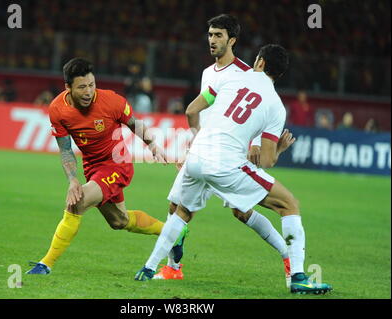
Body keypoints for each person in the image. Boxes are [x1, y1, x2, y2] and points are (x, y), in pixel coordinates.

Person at [136, 44, 333, 295]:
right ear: (280, 74)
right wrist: (280, 149)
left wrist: (200, 137)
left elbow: (191, 109)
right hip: (226, 163)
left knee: (182, 211)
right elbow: (268, 161)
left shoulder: (231, 78)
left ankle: (149, 268)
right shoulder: (276, 106)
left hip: (196, 156)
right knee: (289, 204)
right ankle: (298, 276)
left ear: (259, 62)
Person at [152, 14, 291, 287]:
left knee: (242, 213)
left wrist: (253, 145)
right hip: (204, 153)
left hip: (230, 156)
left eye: (218, 35)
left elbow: (258, 111)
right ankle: (173, 267)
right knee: (176, 207)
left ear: (232, 40)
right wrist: (195, 143)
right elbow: (200, 112)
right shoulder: (207, 73)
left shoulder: (246, 74)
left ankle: (288, 257)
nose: (212, 40)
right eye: (210, 35)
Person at [26, 58, 187, 275]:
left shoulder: (111, 101)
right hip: (92, 168)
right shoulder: (57, 109)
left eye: (91, 85)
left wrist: (152, 145)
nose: (88, 91)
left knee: (77, 203)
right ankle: (173, 233)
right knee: (119, 221)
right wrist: (73, 179)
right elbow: (65, 149)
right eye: (82, 87)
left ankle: (45, 264)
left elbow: (135, 124)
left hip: (116, 165)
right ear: (68, 88)